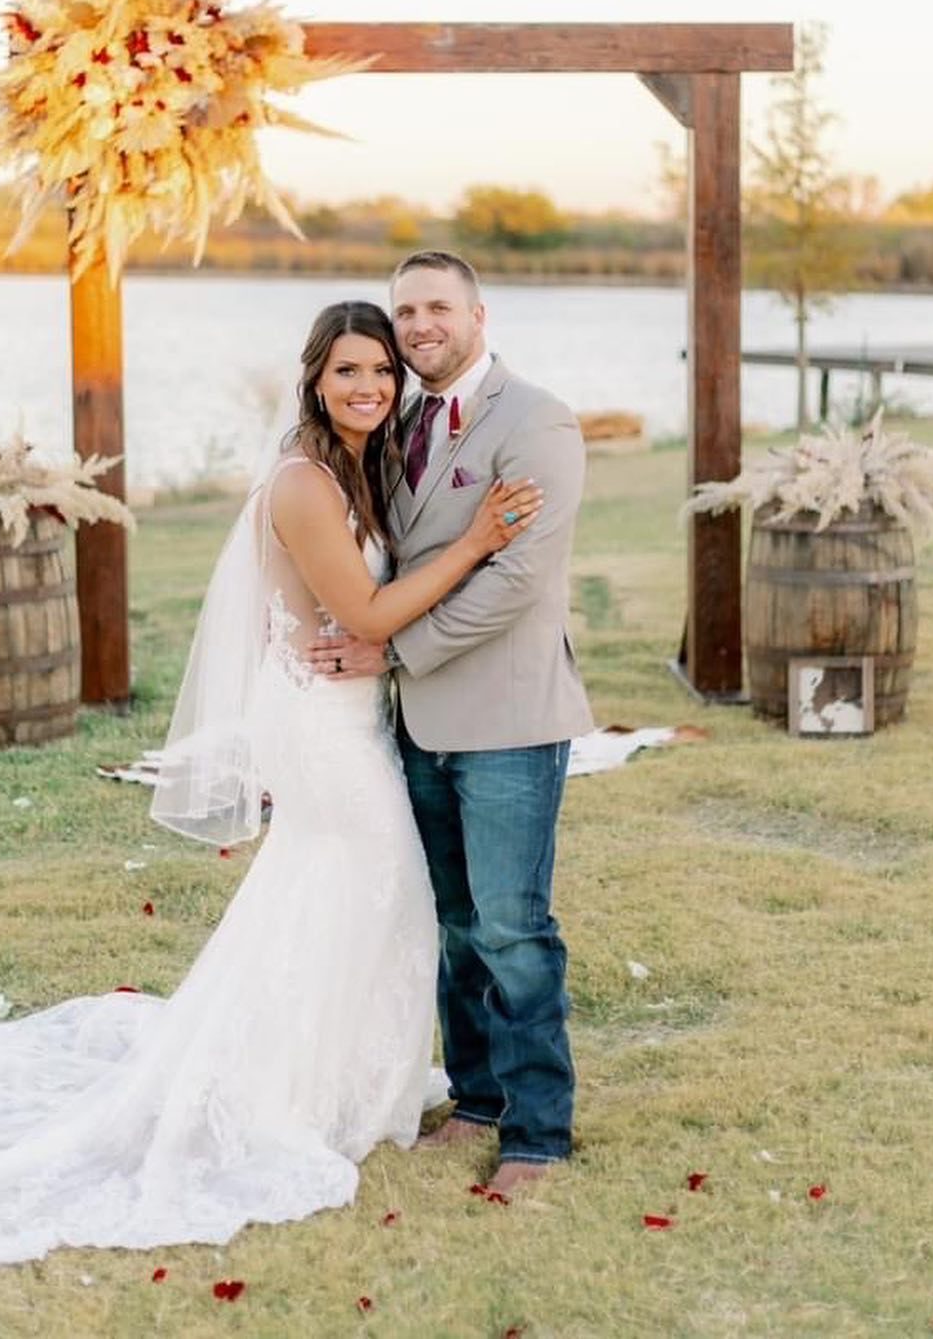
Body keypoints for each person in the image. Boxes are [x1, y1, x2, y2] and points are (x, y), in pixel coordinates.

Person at [0, 300, 541, 1280]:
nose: (367, 385)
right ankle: (285, 1097)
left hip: (348, 712)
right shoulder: (304, 481)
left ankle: (326, 1083)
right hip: (318, 724)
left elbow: (369, 614)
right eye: (346, 370)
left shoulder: (357, 467)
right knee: (373, 884)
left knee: (339, 892)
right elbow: (364, 612)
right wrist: (478, 539)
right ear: (314, 379)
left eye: (380, 370)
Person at [308, 253, 593, 1199]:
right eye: (405, 311)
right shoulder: (393, 421)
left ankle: (538, 1132)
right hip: (418, 723)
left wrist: (392, 649)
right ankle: (475, 1098)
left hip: (508, 715)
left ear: (478, 314)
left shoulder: (536, 421)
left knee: (512, 925)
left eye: (437, 306)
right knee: (456, 923)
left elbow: (518, 580)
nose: (419, 325)